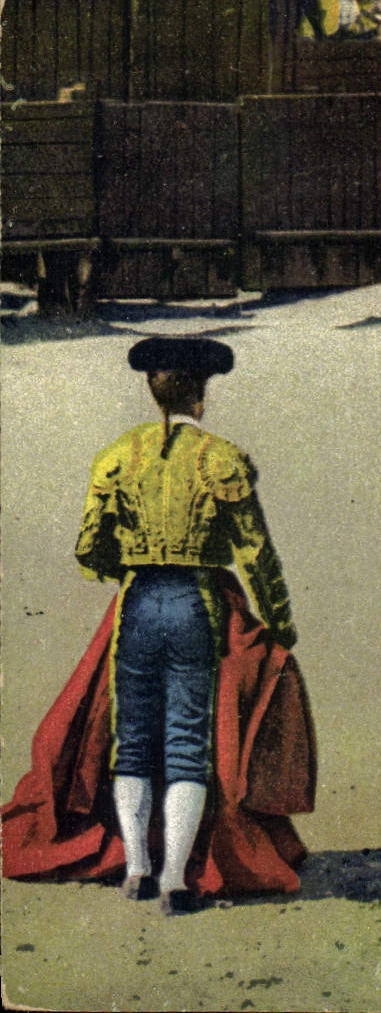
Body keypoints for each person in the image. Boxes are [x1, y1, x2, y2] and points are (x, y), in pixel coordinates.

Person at [3, 336, 313, 915]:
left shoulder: (120, 455)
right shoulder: (221, 459)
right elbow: (256, 553)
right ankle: (174, 878)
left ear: (153, 391)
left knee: (135, 742)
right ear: (200, 396)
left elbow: (89, 549)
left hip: (138, 602)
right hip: (196, 600)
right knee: (186, 743)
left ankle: (139, 870)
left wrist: (129, 564)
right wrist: (280, 621)